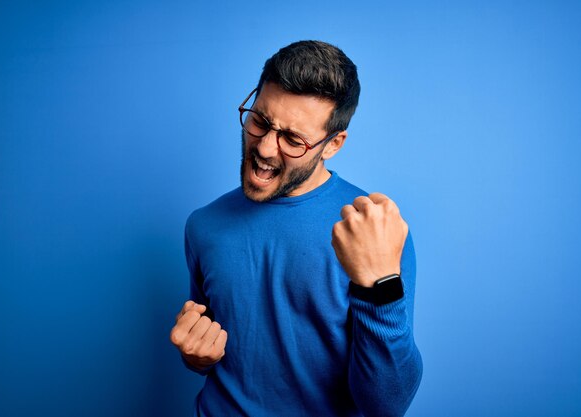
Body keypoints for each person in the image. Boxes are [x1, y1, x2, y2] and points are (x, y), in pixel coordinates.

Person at [170, 40, 423, 417]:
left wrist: (380, 288)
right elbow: (215, 344)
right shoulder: (204, 225)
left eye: (293, 139)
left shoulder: (371, 233)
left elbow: (386, 405)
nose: (267, 149)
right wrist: (197, 356)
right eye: (260, 121)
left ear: (333, 144)